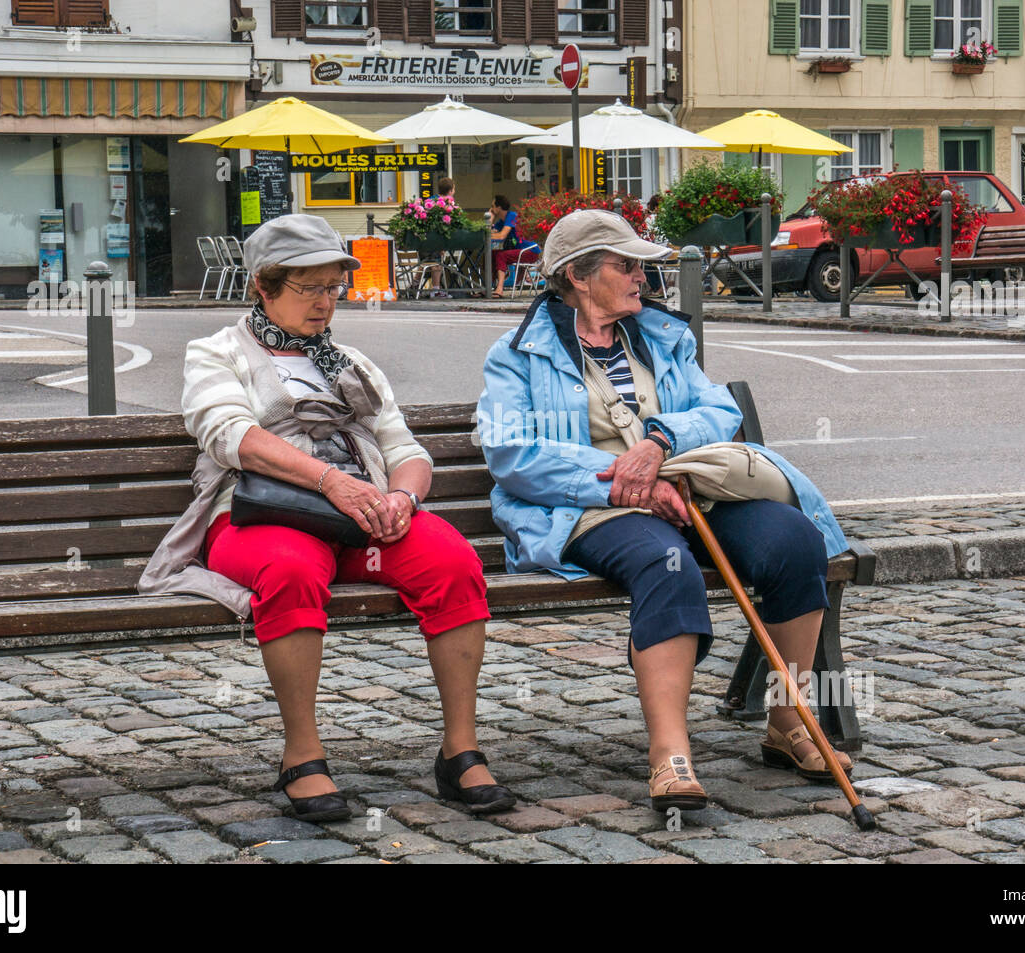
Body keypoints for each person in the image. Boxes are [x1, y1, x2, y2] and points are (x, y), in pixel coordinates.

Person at [139, 214, 515, 821]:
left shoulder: (352, 362)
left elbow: (404, 450)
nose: (325, 303)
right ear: (264, 285)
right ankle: (302, 754)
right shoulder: (217, 352)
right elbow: (230, 434)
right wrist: (331, 480)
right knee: (289, 571)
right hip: (261, 515)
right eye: (309, 288)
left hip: (360, 517)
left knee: (452, 560)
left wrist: (402, 499)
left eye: (334, 288)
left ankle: (460, 749)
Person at [477, 208, 853, 811]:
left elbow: (718, 412)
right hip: (585, 508)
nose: (641, 278)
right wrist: (621, 485)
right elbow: (513, 453)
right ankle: (669, 753)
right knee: (667, 562)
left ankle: (789, 722)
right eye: (625, 265)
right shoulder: (517, 352)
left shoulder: (660, 336)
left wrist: (659, 443)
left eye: (641, 265)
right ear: (577, 275)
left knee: (793, 542)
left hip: (685, 489)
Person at [489, 194, 539, 298]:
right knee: (491, 254)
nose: (491, 209)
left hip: (530, 251)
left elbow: (501, 236)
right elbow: (488, 232)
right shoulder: (501, 222)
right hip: (519, 251)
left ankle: (500, 288)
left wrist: (490, 235)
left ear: (498, 208)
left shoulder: (512, 216)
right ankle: (488, 287)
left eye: (493, 206)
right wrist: (490, 218)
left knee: (501, 256)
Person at [423, 177, 457, 298]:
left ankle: (414, 286)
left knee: (425, 261)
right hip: (437, 238)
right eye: (453, 189)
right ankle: (436, 290)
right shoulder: (448, 203)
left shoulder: (430, 200)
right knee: (436, 263)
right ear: (450, 191)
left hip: (424, 239)